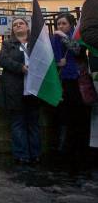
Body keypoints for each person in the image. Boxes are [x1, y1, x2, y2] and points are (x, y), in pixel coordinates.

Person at [0, 17, 41, 164]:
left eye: (21, 23)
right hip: (15, 90)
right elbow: (3, 60)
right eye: (15, 25)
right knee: (18, 123)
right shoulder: (8, 44)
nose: (18, 26)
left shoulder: (36, 43)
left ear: (27, 27)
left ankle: (35, 153)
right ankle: (21, 154)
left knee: (33, 123)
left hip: (33, 89)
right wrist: (20, 67)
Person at [51, 12, 90, 166]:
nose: (60, 26)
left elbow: (78, 51)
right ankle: (64, 151)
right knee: (63, 119)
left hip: (77, 82)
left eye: (64, 23)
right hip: (62, 83)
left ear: (71, 25)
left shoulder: (76, 37)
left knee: (79, 118)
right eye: (58, 24)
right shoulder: (54, 41)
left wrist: (65, 37)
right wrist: (57, 63)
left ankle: (80, 151)